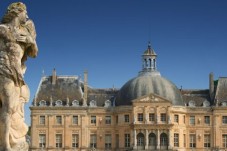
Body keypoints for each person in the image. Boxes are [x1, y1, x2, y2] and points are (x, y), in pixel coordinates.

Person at [0, 2, 38, 151]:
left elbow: (34, 53)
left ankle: (8, 141)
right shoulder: (2, 29)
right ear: (17, 12)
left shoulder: (25, 33)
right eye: (24, 12)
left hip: (16, 73)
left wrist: (31, 41)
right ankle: (5, 145)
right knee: (8, 106)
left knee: (11, 108)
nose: (27, 16)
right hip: (3, 69)